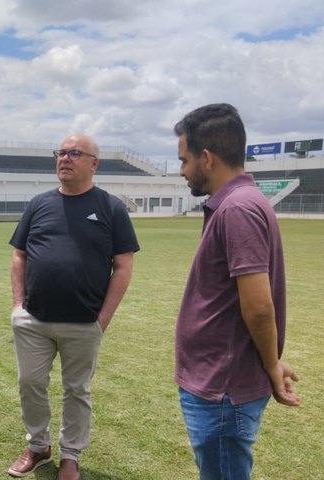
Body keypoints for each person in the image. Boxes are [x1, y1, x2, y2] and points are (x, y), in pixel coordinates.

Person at [174, 103, 300, 479]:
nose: (181, 170)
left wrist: (271, 365)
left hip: (222, 389)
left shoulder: (238, 209)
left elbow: (260, 307)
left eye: (184, 160)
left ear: (207, 158)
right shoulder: (238, 204)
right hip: (219, 384)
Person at [8, 134, 139, 480]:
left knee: (76, 390)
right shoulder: (38, 204)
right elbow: (19, 255)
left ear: (93, 163)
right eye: (61, 153)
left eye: (74, 153)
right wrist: (17, 305)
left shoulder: (111, 208)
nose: (64, 158)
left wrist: (103, 318)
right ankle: (38, 447)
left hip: (84, 322)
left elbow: (123, 266)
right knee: (30, 383)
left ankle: (70, 456)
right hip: (33, 319)